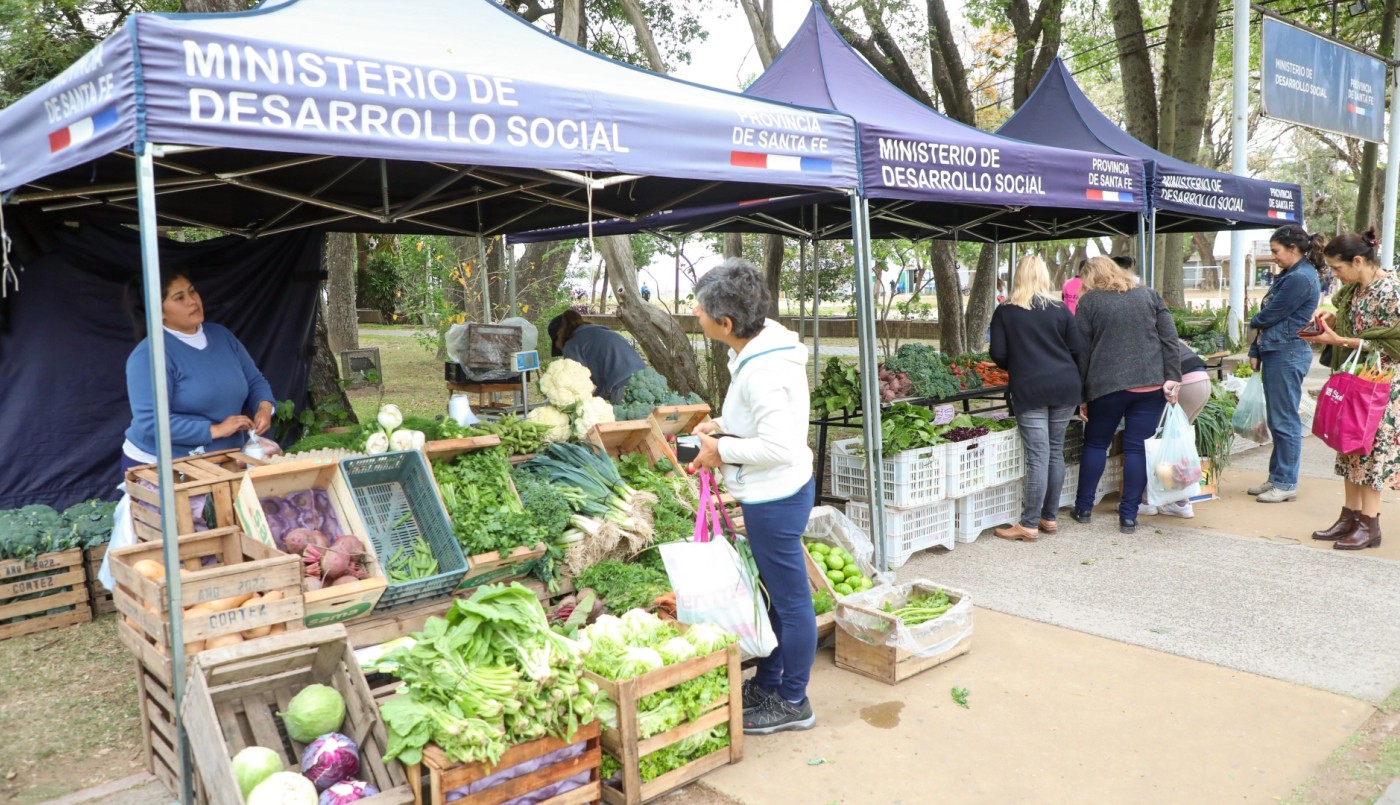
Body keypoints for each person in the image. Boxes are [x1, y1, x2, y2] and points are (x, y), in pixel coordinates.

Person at [686, 258, 816, 736]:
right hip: (774, 492)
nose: (693, 312)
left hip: (776, 498)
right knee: (777, 599)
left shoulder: (762, 369)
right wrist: (723, 427)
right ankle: (769, 681)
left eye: (700, 309)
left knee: (791, 602)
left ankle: (793, 701)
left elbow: (780, 445)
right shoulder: (761, 343)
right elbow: (766, 423)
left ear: (726, 324)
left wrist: (721, 450)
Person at [1301, 228, 1399, 550]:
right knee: (1349, 445)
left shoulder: (1391, 290)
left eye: (1338, 268)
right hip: (1357, 379)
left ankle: (1370, 524)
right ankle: (1351, 516)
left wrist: (1340, 340)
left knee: (1370, 452)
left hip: (1382, 386)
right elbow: (1351, 321)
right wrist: (1332, 318)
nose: (1335, 274)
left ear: (1358, 261)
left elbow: (1394, 343)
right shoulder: (1355, 289)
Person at [1071, 256, 1182, 534]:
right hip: (1150, 385)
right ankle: (1129, 516)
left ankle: (1084, 508)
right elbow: (1170, 338)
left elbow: (1081, 353)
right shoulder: (1148, 295)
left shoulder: (1090, 302)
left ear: (1090, 278)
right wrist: (1173, 377)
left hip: (1105, 386)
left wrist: (1082, 394)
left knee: (1096, 445)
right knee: (1136, 449)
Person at [123, 274, 275, 472]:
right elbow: (151, 422)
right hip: (161, 465)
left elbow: (255, 381)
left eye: (192, 291)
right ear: (159, 312)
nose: (192, 301)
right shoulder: (148, 355)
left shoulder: (222, 336)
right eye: (179, 298)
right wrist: (216, 430)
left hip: (225, 458)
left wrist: (264, 407)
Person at [988, 255, 1086, 542]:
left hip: (1030, 387)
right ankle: (1049, 517)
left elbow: (998, 354)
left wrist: (1020, 363)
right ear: (1044, 277)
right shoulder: (1060, 309)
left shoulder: (1006, 311)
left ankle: (1029, 524)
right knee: (1055, 451)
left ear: (1018, 276)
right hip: (1066, 386)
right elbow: (1078, 349)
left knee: (1038, 456)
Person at [1245, 224, 1323, 503]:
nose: (1273, 256)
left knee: (1284, 420)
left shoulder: (1300, 277)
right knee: (1279, 419)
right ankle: (1278, 477)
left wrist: (1253, 324)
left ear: (1293, 249)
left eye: (1276, 251)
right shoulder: (1292, 274)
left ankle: (1286, 482)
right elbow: (1270, 315)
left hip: (1287, 352)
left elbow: (1269, 315)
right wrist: (1256, 347)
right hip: (1277, 350)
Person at [1138, 340, 1212, 520]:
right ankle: (1179, 502)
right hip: (1201, 381)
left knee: (1164, 445)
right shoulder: (1162, 328)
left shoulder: (1142, 333)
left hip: (1184, 385)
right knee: (1177, 444)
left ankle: (1149, 501)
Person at [546, 309, 646, 404]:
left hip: (622, 387)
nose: (561, 350)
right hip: (646, 378)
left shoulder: (572, 345)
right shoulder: (599, 331)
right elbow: (602, 381)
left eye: (557, 347)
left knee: (624, 421)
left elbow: (580, 385)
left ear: (559, 336)